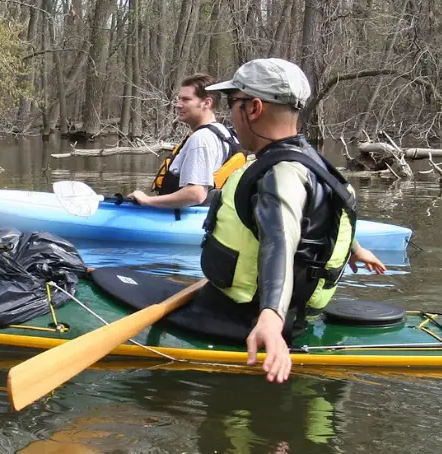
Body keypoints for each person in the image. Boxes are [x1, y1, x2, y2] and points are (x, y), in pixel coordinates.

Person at [191, 58, 387, 383]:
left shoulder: (278, 174)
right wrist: (355, 247)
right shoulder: (310, 159)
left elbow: (279, 241)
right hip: (296, 314)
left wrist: (270, 318)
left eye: (232, 102)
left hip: (244, 316)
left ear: (253, 108)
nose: (230, 115)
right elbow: (321, 217)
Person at [128, 74, 245, 208]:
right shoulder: (225, 133)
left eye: (186, 99)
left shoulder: (201, 138)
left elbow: (195, 194)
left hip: (183, 221)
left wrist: (147, 200)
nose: (178, 105)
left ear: (207, 103)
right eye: (179, 99)